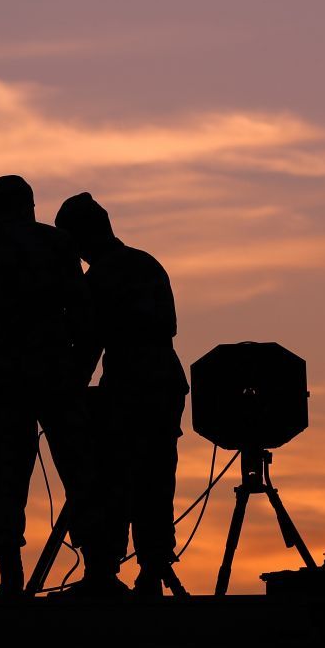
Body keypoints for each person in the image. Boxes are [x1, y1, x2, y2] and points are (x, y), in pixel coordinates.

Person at [0, 175, 107, 597]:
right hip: (57, 381)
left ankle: (11, 582)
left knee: (7, 482)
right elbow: (85, 322)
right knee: (80, 476)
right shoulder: (57, 246)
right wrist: (76, 377)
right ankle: (98, 574)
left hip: (9, 386)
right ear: (30, 206)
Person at [54, 193, 190, 597]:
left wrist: (70, 391)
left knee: (114, 478)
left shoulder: (100, 277)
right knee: (156, 476)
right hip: (164, 384)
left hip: (132, 390)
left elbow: (90, 342)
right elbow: (168, 325)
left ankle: (104, 572)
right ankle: (153, 567)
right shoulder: (147, 263)